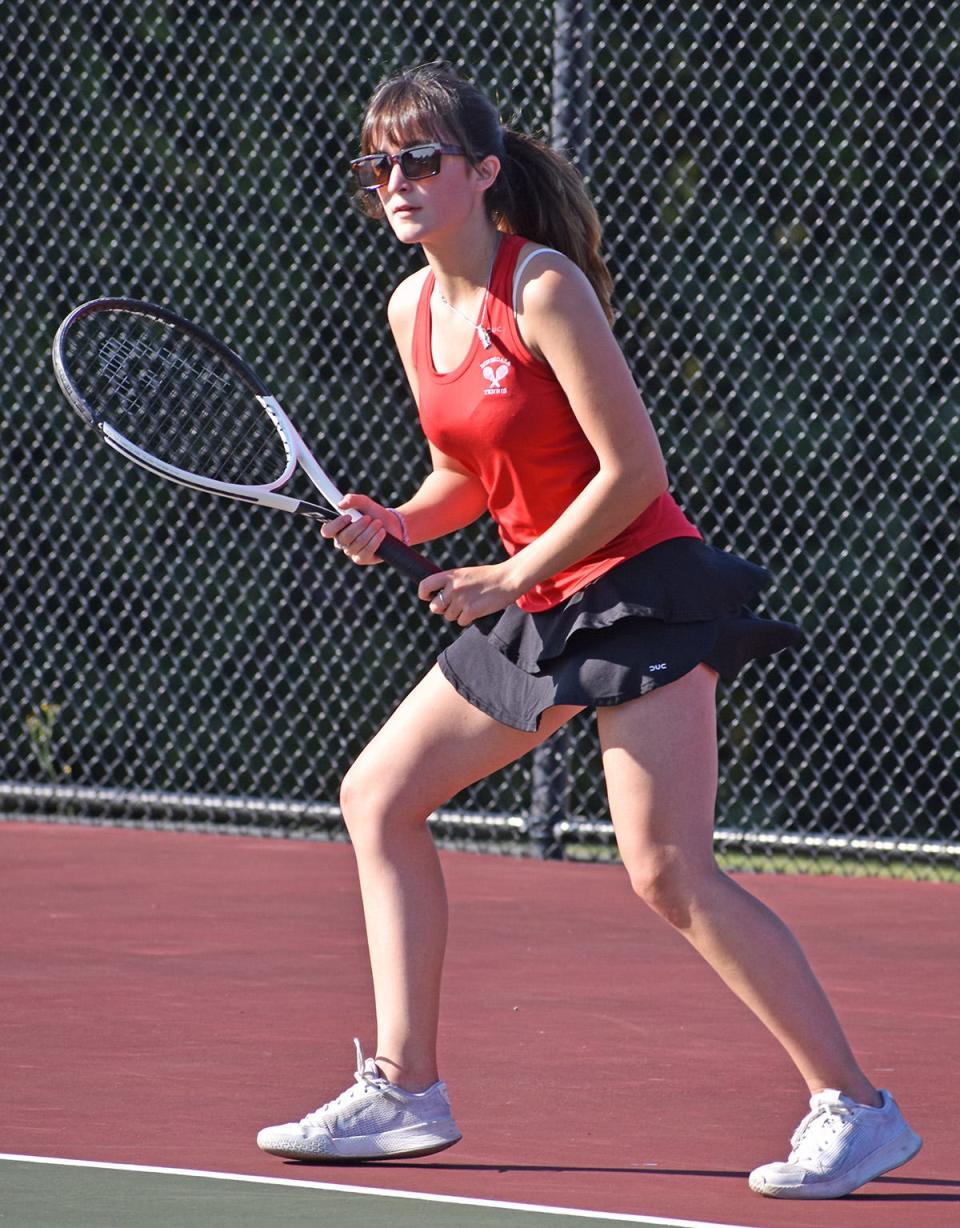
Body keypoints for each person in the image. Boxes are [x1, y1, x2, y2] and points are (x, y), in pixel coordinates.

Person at [256, 63, 921, 1200]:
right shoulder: (412, 307)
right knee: (379, 796)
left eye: (422, 159)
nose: (399, 180)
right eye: (381, 164)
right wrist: (397, 520)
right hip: (545, 592)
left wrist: (508, 572)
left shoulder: (544, 287)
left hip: (640, 584)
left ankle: (855, 1108)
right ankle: (406, 1086)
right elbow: (465, 470)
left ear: (481, 172)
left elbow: (632, 474)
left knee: (667, 869)